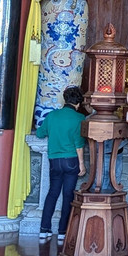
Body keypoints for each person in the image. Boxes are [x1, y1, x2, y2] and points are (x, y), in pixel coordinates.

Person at [36, 86, 89, 245]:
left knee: (52, 193)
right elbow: (79, 144)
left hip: (54, 160)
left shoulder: (52, 116)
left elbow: (40, 133)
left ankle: (44, 230)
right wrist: (82, 164)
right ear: (78, 103)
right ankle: (62, 232)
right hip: (71, 160)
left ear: (65, 100)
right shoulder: (79, 118)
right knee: (68, 196)